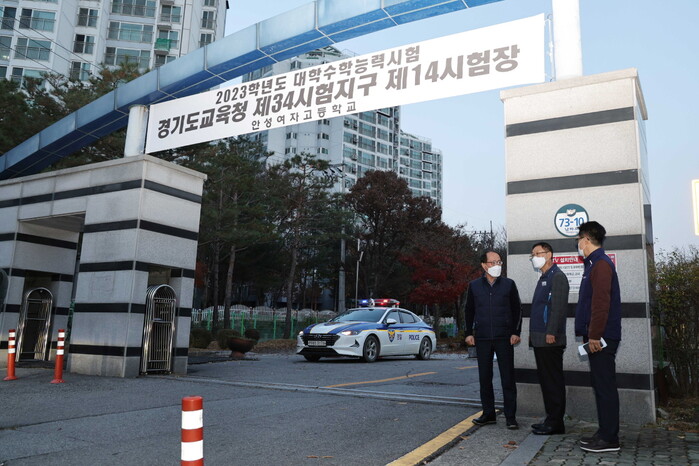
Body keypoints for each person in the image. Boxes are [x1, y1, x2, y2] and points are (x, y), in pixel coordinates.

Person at [574, 221, 622, 453]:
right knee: (601, 385)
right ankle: (604, 432)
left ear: (586, 239)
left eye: (578, 239)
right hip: (598, 336)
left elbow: (601, 304)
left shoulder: (601, 264)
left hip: (601, 338)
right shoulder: (594, 264)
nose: (578, 244)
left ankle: (610, 438)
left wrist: (594, 335)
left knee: (605, 387)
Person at [465, 250, 522, 429]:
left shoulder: (509, 284)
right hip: (482, 337)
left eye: (499, 262)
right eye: (493, 262)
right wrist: (468, 333)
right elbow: (469, 310)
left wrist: (515, 332)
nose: (497, 265)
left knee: (507, 378)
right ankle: (488, 414)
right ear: (484, 265)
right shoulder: (474, 286)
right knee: (484, 378)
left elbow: (517, 309)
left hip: (504, 337)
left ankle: (510, 417)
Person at [528, 242, 569, 435]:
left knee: (552, 381)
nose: (534, 257)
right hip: (540, 338)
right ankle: (550, 418)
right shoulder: (544, 277)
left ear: (549, 254)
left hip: (549, 339)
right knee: (546, 381)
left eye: (538, 253)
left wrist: (551, 332)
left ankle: (556, 423)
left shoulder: (557, 276)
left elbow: (558, 308)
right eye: (533, 254)